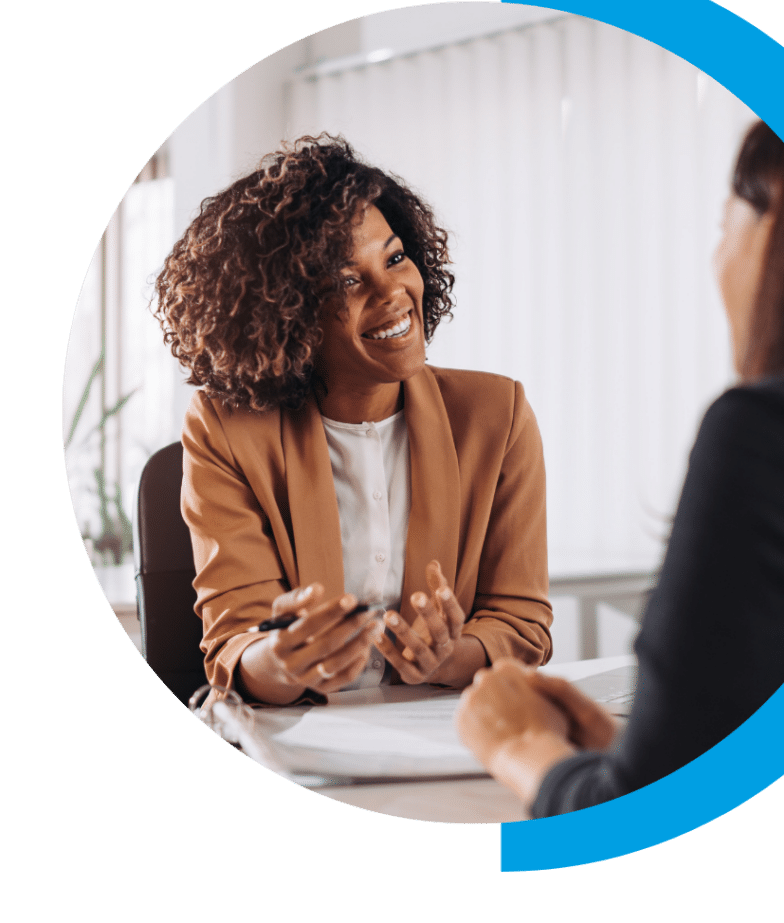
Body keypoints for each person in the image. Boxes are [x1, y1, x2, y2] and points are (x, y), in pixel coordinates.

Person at [456, 121, 784, 815]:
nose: (717, 256)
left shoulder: (774, 431)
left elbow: (651, 819)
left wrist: (514, 745)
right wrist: (640, 744)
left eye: (725, 224)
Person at [154, 136, 552, 705]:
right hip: (296, 748)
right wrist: (288, 659)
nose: (393, 293)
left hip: (442, 740)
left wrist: (447, 656)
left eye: (394, 258)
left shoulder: (497, 415)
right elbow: (235, 647)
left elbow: (522, 624)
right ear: (286, 313)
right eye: (347, 280)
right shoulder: (226, 429)